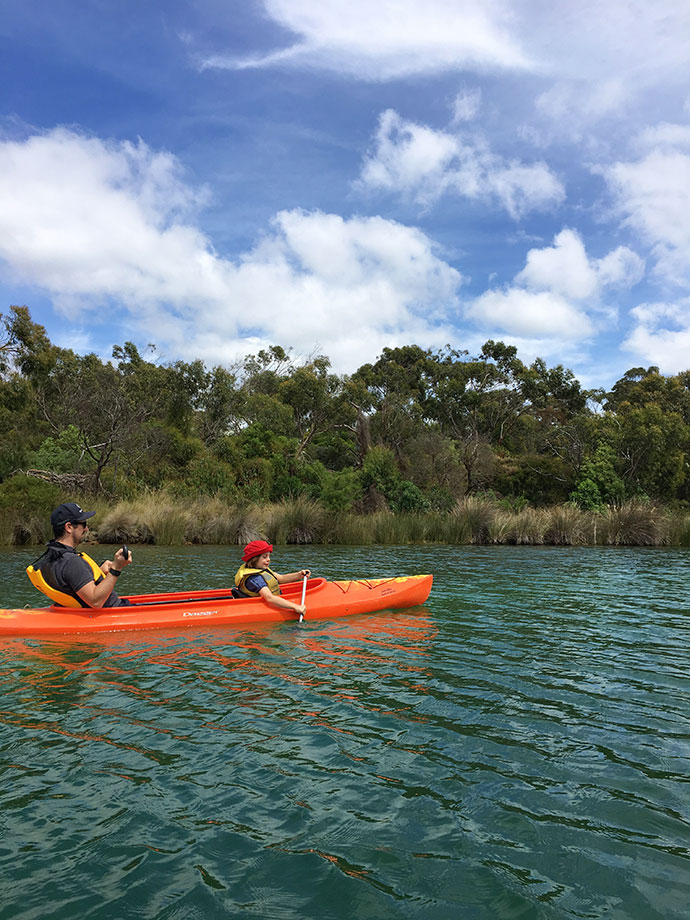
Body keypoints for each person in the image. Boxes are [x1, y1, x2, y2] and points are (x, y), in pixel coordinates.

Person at [27, 502, 133, 608]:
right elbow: (95, 601)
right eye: (83, 524)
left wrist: (100, 571)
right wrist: (116, 568)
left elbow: (72, 582)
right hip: (113, 613)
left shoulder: (52, 557)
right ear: (69, 527)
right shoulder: (71, 562)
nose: (86, 529)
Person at [234, 540, 310, 618]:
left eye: (269, 556)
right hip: (258, 608)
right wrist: (295, 607)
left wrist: (299, 575)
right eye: (264, 557)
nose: (268, 559)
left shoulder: (261, 569)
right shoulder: (254, 579)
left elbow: (281, 578)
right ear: (254, 559)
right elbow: (269, 598)